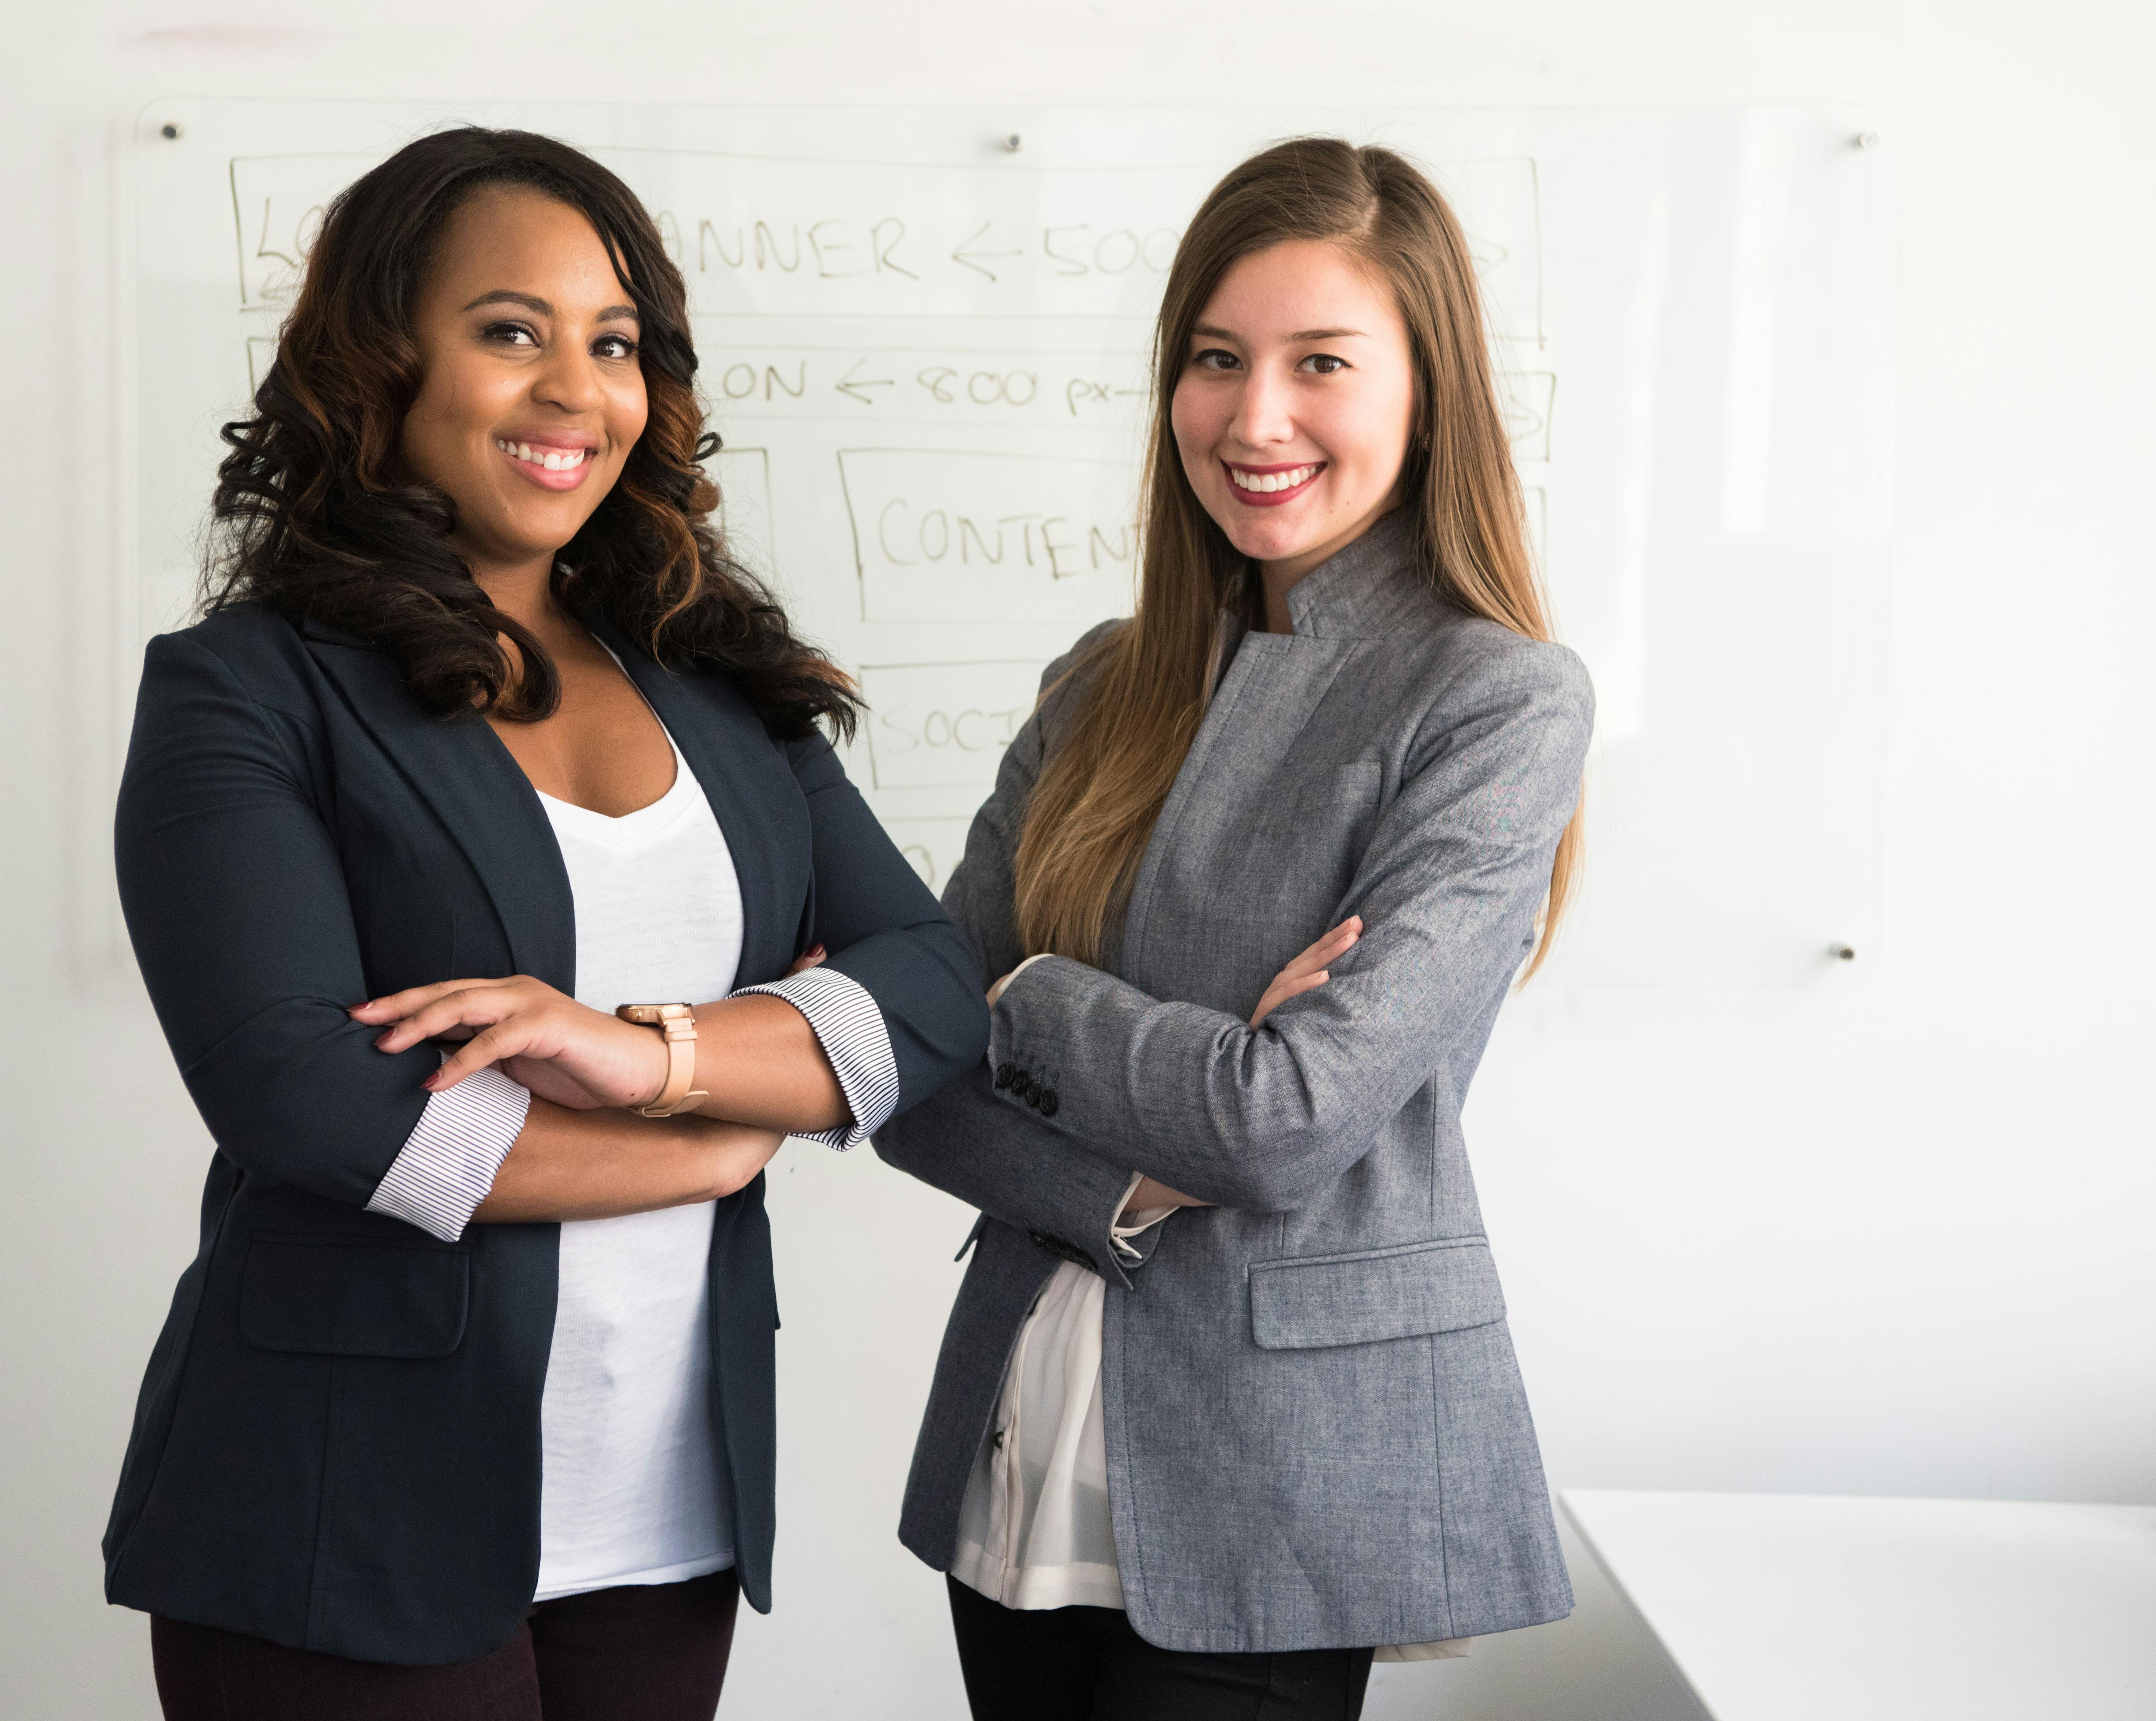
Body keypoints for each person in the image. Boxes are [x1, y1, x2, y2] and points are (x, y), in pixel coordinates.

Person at [102, 127, 988, 1721]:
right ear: (381, 365)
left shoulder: (720, 684)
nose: (576, 388)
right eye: (512, 330)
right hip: (343, 1508)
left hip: (663, 1508)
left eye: (615, 342)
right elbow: (308, 1097)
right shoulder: (246, 688)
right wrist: (717, 1137)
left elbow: (927, 989)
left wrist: (645, 1058)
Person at [874, 135, 1593, 1720]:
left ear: (1428, 388)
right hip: (1021, 1434)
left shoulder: (1491, 698)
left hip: (1282, 1470)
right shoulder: (1096, 679)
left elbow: (1282, 1122)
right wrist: (1126, 1163)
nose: (1251, 417)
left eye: (1318, 362)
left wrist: (1029, 993)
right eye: (1215, 359)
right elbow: (913, 1073)